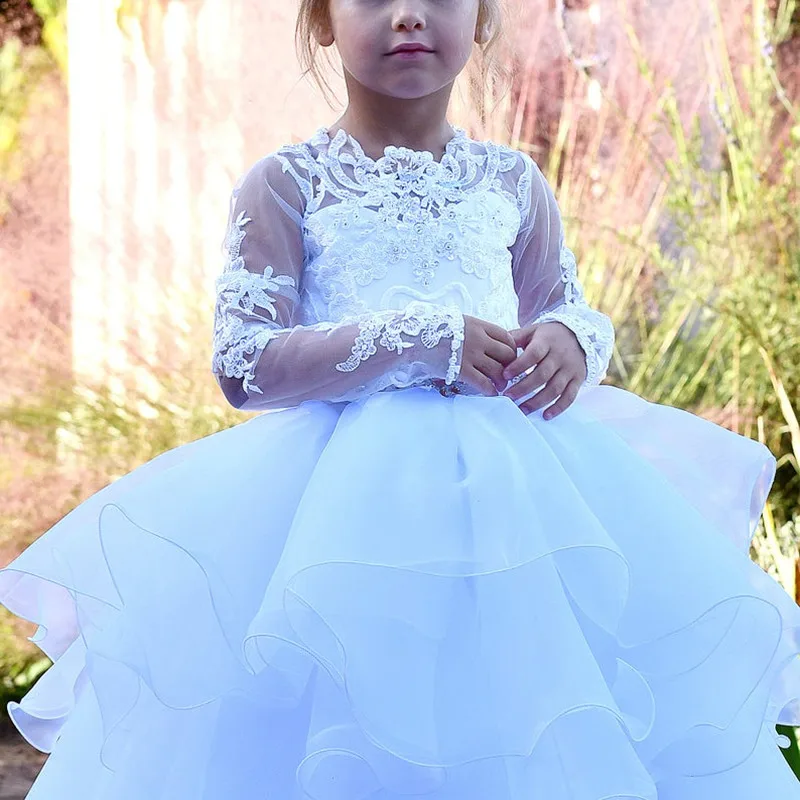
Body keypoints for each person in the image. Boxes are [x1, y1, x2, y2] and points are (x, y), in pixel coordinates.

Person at [3, 0, 800, 797]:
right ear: (321, 21)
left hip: (518, 513)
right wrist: (414, 340)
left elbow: (565, 303)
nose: (410, 15)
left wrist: (569, 339)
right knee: (353, 707)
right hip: (339, 519)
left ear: (483, 20)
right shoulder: (287, 183)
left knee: (521, 703)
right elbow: (244, 361)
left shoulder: (513, 182)